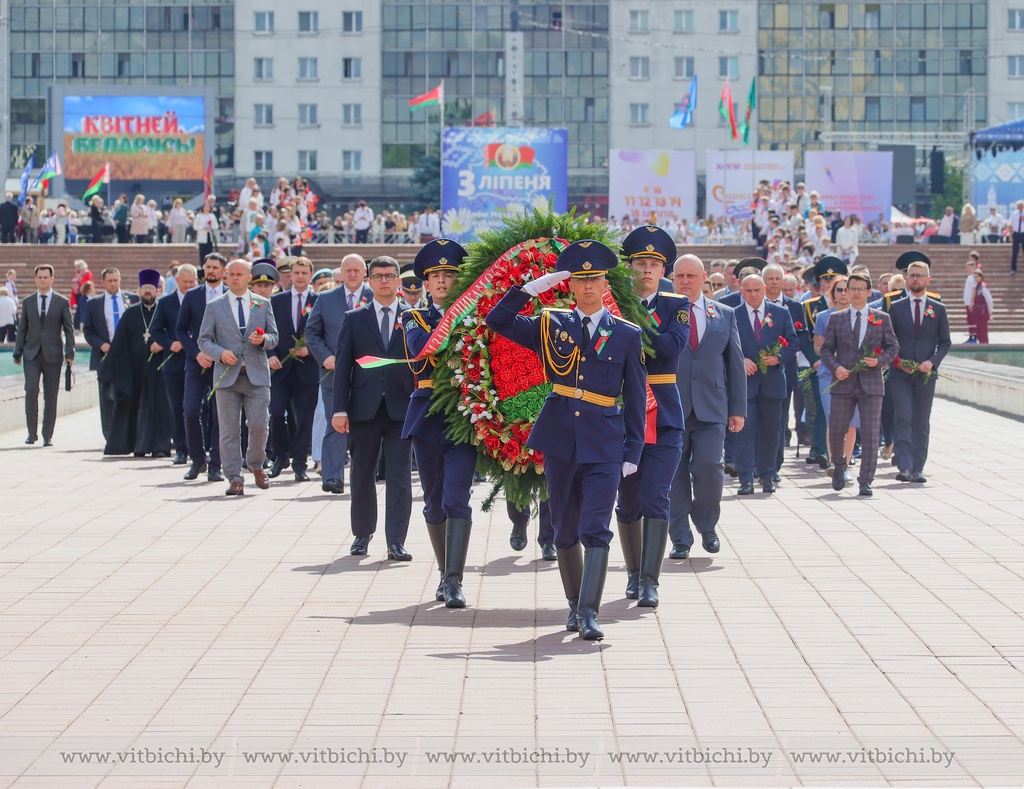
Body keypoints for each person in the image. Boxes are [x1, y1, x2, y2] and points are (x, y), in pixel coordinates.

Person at [486, 240, 646, 641]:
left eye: (594, 278)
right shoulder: (550, 324)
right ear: (569, 285)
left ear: (605, 282)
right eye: (580, 279)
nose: (588, 285)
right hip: (561, 437)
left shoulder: (625, 334)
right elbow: (497, 321)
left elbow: (637, 396)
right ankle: (574, 606)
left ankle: (590, 612)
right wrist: (528, 291)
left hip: (605, 441)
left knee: (597, 526)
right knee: (564, 528)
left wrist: (634, 447)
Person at [614, 226, 690, 608]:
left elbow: (671, 347)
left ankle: (649, 580)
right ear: (630, 268)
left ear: (664, 271)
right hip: (623, 413)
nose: (646, 270)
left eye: (654, 264)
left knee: (656, 496)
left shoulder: (676, 304)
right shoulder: (613, 303)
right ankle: (632, 572)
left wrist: (632, 326)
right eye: (640, 263)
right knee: (627, 501)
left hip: (663, 412)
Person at [400, 239, 478, 608]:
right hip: (428, 415)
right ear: (426, 284)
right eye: (437, 276)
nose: (444, 281)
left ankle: (454, 580)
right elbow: (424, 348)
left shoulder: (475, 318)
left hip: (463, 415)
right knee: (433, 502)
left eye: (450, 274)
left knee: (457, 499)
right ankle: (445, 572)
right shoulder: (412, 317)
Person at [331, 256, 415, 559]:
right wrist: (339, 409)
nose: (384, 281)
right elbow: (342, 368)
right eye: (378, 276)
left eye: (389, 276)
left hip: (401, 409)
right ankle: (362, 534)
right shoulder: (354, 318)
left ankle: (396, 541)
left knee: (399, 476)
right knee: (362, 473)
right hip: (363, 409)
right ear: (369, 281)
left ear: (398, 282)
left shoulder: (412, 317)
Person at [198, 259, 279, 496]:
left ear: (248, 278)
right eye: (231, 274)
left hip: (256, 375)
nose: (235, 278)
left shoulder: (263, 304)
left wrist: (263, 341)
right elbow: (203, 340)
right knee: (229, 430)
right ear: (225, 276)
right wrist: (219, 353)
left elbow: (274, 336)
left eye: (239, 274)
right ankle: (234, 477)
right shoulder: (215, 306)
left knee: (259, 425)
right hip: (227, 377)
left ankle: (256, 464)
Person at [819, 272, 899, 497]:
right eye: (849, 289)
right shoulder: (837, 318)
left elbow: (893, 347)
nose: (853, 293)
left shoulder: (881, 318)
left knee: (871, 433)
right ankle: (839, 466)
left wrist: (879, 361)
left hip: (871, 383)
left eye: (859, 289)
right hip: (843, 382)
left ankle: (866, 480)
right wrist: (835, 367)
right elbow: (825, 349)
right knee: (836, 429)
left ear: (868, 292)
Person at [306, 253, 372, 494]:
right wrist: (325, 356)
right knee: (336, 423)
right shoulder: (325, 299)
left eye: (357, 270)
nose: (353, 274)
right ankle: (332, 477)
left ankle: (362, 476)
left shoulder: (374, 297)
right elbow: (312, 334)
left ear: (365, 272)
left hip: (368, 377)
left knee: (365, 426)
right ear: (341, 273)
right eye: (348, 270)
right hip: (334, 374)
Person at [733, 273, 798, 496]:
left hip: (772, 382)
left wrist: (779, 358)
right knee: (744, 432)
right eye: (748, 291)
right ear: (741, 291)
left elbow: (793, 341)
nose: (753, 295)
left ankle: (767, 475)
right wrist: (740, 360)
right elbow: (726, 344)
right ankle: (745, 478)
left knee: (772, 431)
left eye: (756, 290)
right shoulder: (734, 314)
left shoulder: (780, 313)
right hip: (746, 385)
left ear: (764, 290)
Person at [888, 257, 951, 485]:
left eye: (919, 275)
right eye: (912, 275)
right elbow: (889, 340)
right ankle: (903, 466)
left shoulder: (938, 308)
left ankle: (918, 467)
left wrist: (931, 362)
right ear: (906, 278)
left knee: (921, 420)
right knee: (903, 416)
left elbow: (945, 342)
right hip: (900, 373)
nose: (915, 279)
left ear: (928, 279)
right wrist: (897, 360)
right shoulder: (895, 308)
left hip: (925, 374)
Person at [100, 269, 172, 457]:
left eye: (151, 288)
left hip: (158, 370)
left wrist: (162, 343)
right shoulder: (130, 313)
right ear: (139, 290)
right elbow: (118, 344)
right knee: (133, 406)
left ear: (158, 290)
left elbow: (173, 335)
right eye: (144, 288)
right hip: (133, 370)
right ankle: (135, 445)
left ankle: (159, 447)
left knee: (159, 408)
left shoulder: (164, 310)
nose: (148, 292)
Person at [176, 253, 228, 483]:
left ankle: (216, 464)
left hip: (223, 365)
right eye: (208, 267)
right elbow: (181, 330)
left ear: (223, 271)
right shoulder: (193, 296)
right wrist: (196, 354)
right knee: (190, 411)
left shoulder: (230, 296)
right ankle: (198, 460)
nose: (211, 271)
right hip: (196, 363)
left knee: (220, 416)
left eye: (215, 267)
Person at [267, 256, 318, 482]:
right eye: (295, 273)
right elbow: (265, 330)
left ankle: (299, 463)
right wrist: (269, 355)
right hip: (280, 367)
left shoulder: (319, 301)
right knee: (276, 412)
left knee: (305, 418)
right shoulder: (276, 301)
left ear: (310, 276)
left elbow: (324, 333)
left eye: (303, 273)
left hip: (307, 369)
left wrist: (310, 350)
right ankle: (280, 454)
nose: (298, 277)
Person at [12, 264, 75, 444]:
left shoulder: (61, 302)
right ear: (35, 279)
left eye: (46, 277)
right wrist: (18, 351)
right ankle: (31, 433)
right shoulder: (28, 301)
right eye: (39, 277)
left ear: (52, 279)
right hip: (31, 353)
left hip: (53, 354)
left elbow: (69, 330)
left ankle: (47, 434)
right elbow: (22, 328)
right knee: (31, 390)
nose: (42, 280)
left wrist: (69, 352)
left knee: (51, 395)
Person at [83, 268, 140, 440]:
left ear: (120, 279)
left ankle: (132, 434)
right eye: (110, 281)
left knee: (131, 394)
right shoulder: (94, 304)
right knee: (107, 397)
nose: (113, 284)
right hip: (105, 357)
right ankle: (110, 435)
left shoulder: (133, 300)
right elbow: (88, 330)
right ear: (103, 282)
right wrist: (101, 344)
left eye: (116, 280)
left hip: (129, 356)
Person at [150, 262, 198, 464]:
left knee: (196, 408)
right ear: (176, 280)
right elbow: (156, 331)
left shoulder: (201, 300)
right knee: (177, 407)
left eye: (191, 282)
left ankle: (199, 447)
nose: (188, 285)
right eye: (184, 281)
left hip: (198, 361)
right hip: (174, 363)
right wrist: (170, 344)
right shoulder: (166, 303)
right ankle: (180, 449)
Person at [813, 275, 858, 480]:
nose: (843, 293)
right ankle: (835, 464)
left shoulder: (861, 316)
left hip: (855, 374)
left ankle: (846, 466)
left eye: (846, 289)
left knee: (850, 422)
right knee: (835, 420)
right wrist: (833, 359)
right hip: (830, 373)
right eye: (838, 290)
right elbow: (818, 346)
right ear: (833, 294)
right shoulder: (824, 316)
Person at [970, 270, 994, 344]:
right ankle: (981, 342)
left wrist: (990, 311)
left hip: (983, 312)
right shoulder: (978, 286)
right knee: (979, 329)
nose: (975, 278)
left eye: (977, 276)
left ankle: (984, 343)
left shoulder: (983, 287)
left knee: (983, 329)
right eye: (974, 277)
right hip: (978, 312)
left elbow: (989, 300)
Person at [193, 202, 219, 267]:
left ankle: (209, 264)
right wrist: (203, 228)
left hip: (209, 235)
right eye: (205, 207)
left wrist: (211, 227)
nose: (206, 209)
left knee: (209, 251)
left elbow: (216, 226)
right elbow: (195, 226)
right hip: (202, 236)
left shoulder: (212, 216)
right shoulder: (199, 216)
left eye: (208, 207)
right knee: (202, 252)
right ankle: (202, 265)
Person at [1010, 200, 1024, 274]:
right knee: (1015, 252)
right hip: (1016, 234)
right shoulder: (1014, 214)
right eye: (1019, 206)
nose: (1020, 207)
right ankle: (1013, 269)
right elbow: (1010, 224)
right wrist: (1010, 235)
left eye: (1021, 205)